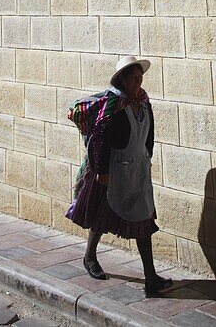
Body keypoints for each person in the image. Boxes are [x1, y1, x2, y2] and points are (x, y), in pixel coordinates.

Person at [66, 55, 172, 297]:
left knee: (144, 220)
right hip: (114, 170)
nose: (138, 81)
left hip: (137, 171)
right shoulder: (114, 104)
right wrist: (102, 172)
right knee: (101, 216)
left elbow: (149, 133)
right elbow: (101, 140)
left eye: (140, 77)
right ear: (123, 79)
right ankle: (90, 256)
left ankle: (151, 277)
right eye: (134, 78)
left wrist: (147, 156)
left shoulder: (143, 102)